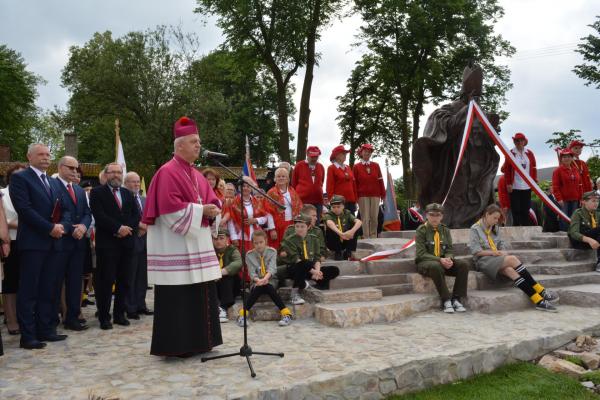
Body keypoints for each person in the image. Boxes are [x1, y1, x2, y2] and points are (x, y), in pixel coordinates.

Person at [142, 116, 223, 357]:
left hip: (197, 244)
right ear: (179, 146)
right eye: (194, 141)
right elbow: (169, 210)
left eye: (199, 141)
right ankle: (178, 346)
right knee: (179, 298)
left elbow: (211, 199)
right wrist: (201, 211)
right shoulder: (167, 172)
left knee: (201, 293)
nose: (199, 145)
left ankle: (202, 342)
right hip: (175, 246)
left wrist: (214, 208)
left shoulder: (197, 174)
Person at [9, 143, 72, 349]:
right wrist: (49, 228)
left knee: (49, 288)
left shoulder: (53, 182)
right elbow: (24, 209)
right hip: (33, 243)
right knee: (29, 290)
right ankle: (28, 336)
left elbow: (64, 208)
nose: (46, 158)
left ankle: (46, 329)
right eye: (41, 154)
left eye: (48, 154)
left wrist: (61, 225)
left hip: (54, 243)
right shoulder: (20, 178)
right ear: (29, 157)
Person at [469, 204, 559, 312]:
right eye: (494, 218)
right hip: (483, 261)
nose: (496, 221)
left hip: (496, 259)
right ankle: (541, 290)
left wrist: (502, 252)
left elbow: (500, 244)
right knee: (512, 259)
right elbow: (476, 251)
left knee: (510, 270)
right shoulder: (475, 229)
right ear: (487, 215)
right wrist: (494, 253)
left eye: (498, 218)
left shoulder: (495, 228)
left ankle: (538, 300)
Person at [90, 162, 140, 330]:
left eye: (119, 172)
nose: (116, 175)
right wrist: (118, 228)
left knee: (125, 281)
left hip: (127, 244)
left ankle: (120, 314)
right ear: (106, 174)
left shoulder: (128, 193)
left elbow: (136, 214)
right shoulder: (97, 193)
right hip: (107, 244)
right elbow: (99, 215)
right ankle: (104, 317)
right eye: (113, 172)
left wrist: (127, 229)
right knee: (106, 281)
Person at [55, 156, 92, 331]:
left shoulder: (78, 190)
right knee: (55, 281)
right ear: (61, 167)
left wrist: (84, 226)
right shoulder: (53, 186)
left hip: (78, 243)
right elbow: (58, 212)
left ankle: (73, 317)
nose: (74, 172)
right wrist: (71, 228)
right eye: (71, 168)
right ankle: (51, 318)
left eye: (76, 169)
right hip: (60, 242)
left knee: (75, 282)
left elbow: (86, 212)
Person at [415, 204, 469, 313]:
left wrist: (449, 259)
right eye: (431, 215)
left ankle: (456, 299)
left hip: (443, 262)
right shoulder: (422, 230)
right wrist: (439, 260)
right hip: (426, 263)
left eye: (437, 215)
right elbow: (421, 253)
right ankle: (446, 300)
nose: (434, 218)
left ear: (442, 216)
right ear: (426, 215)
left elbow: (449, 249)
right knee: (436, 265)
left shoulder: (445, 230)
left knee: (464, 264)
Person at [238, 230, 293, 327]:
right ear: (253, 243)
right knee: (260, 286)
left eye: (261, 242)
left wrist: (265, 279)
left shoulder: (272, 252)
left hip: (271, 279)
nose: (258, 245)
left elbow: (272, 269)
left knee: (268, 285)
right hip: (256, 281)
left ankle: (286, 315)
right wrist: (258, 280)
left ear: (266, 241)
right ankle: (286, 313)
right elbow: (251, 273)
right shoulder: (249, 255)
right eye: (256, 243)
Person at [279, 214, 337, 304]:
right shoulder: (289, 240)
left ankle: (311, 282)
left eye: (302, 226)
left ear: (309, 226)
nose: (299, 229)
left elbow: (317, 258)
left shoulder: (314, 239)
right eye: (297, 226)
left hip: (310, 268)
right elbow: (296, 259)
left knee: (334, 270)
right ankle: (294, 295)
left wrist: (317, 271)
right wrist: (314, 272)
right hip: (295, 268)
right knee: (304, 263)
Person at [1, 162, 27, 335]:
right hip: (9, 242)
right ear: (9, 177)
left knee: (24, 281)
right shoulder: (2, 194)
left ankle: (23, 315)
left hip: (28, 242)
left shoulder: (28, 193)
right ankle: (11, 319)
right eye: (16, 175)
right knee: (10, 283)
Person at [123, 171, 152, 319]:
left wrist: (146, 226)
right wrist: (138, 227)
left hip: (146, 241)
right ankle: (130, 307)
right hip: (131, 241)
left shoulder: (145, 200)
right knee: (131, 276)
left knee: (142, 277)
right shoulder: (123, 198)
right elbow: (123, 218)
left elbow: (151, 216)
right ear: (125, 183)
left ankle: (141, 304)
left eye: (137, 181)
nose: (135, 184)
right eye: (132, 181)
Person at [501, 133, 537, 226]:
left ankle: (525, 226)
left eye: (521, 140)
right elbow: (507, 170)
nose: (519, 142)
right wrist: (508, 183)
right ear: (514, 142)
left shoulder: (529, 153)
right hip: (515, 185)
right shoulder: (511, 153)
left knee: (526, 208)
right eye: (517, 140)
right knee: (516, 208)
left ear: (525, 141)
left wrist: (534, 180)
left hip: (527, 185)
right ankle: (517, 226)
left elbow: (533, 167)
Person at [228, 182, 271, 252]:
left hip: (256, 236)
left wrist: (256, 220)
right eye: (243, 186)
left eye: (248, 186)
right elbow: (231, 221)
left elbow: (265, 217)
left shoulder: (257, 201)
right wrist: (233, 237)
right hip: (241, 236)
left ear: (251, 188)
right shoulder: (234, 202)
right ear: (239, 188)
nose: (245, 188)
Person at [353, 143, 385, 238]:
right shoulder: (356, 167)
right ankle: (366, 237)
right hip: (362, 196)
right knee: (365, 218)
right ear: (361, 153)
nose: (367, 153)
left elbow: (381, 181)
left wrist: (383, 194)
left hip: (375, 195)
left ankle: (374, 237)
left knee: (374, 217)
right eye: (365, 151)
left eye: (369, 151)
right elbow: (354, 184)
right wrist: (355, 197)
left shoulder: (376, 165)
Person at [266, 167, 303, 249]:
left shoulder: (292, 191)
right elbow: (268, 212)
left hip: (292, 223)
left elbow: (299, 207)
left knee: (291, 247)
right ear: (275, 179)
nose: (281, 178)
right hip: (277, 225)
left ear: (287, 179)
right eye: (278, 176)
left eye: (283, 176)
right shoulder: (271, 192)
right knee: (279, 248)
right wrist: (272, 229)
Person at [212, 228, 242, 323]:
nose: (218, 241)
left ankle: (223, 308)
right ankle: (216, 306)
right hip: (215, 282)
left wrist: (221, 272)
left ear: (227, 239)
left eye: (221, 238)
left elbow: (238, 263)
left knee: (228, 277)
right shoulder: (210, 250)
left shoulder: (232, 250)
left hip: (231, 285)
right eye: (216, 239)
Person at [291, 146, 326, 222]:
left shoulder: (321, 167)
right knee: (303, 222)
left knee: (316, 223)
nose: (314, 159)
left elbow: (321, 182)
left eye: (316, 157)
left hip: (318, 201)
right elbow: (294, 183)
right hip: (302, 201)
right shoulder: (299, 166)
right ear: (307, 154)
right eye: (312, 157)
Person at [568, 191, 600, 272]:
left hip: (594, 241)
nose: (596, 203)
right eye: (593, 201)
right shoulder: (578, 213)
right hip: (579, 241)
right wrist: (589, 240)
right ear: (584, 202)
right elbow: (574, 233)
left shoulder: (597, 214)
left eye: (597, 201)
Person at [323, 195, 362, 260]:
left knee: (355, 226)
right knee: (331, 229)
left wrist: (351, 232)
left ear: (343, 206)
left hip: (346, 239)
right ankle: (338, 252)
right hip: (333, 243)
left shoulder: (347, 213)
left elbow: (359, 222)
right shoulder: (329, 214)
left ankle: (348, 251)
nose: (336, 209)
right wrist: (341, 234)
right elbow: (329, 223)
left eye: (338, 207)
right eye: (333, 207)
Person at [552, 148, 582, 230]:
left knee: (574, 218)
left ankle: (574, 235)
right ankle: (564, 235)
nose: (567, 158)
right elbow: (555, 186)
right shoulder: (557, 171)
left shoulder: (576, 170)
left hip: (575, 199)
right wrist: (559, 199)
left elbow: (579, 185)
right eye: (564, 157)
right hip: (563, 200)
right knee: (564, 219)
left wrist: (581, 198)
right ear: (561, 159)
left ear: (572, 158)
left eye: (569, 156)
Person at [326, 145, 358, 214]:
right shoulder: (331, 168)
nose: (345, 155)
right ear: (336, 155)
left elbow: (353, 185)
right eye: (343, 154)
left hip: (351, 201)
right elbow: (329, 187)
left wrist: (355, 199)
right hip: (338, 202)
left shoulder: (348, 168)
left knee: (351, 222)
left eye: (345, 154)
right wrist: (332, 201)